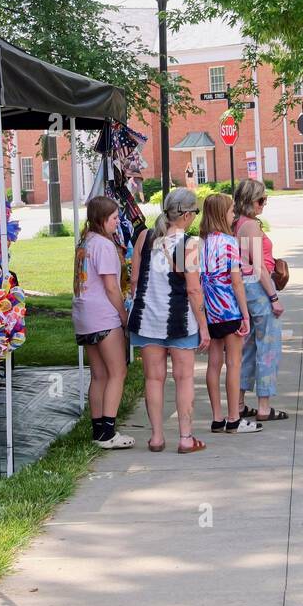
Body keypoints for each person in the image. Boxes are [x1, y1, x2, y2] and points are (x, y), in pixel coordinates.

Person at [129, 187, 210, 453]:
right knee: (184, 377)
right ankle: (186, 438)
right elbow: (193, 289)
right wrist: (203, 325)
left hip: (147, 318)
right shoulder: (188, 244)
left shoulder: (145, 238)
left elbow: (134, 280)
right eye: (194, 213)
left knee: (154, 379)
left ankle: (156, 437)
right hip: (179, 320)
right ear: (186, 215)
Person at [71, 196, 134, 449]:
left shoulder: (84, 242)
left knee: (98, 375)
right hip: (103, 315)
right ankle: (108, 432)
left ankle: (98, 430)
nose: (117, 223)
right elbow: (110, 287)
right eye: (114, 218)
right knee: (118, 372)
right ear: (101, 219)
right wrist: (123, 316)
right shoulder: (105, 246)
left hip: (83, 314)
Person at [199, 193, 257, 433]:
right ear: (222, 213)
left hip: (209, 311)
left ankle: (217, 417)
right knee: (233, 363)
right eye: (232, 209)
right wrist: (245, 314)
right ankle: (234, 418)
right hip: (229, 309)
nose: (234, 213)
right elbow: (237, 282)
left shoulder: (197, 243)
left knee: (214, 364)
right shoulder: (230, 243)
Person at [233, 179, 288, 422]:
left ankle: (240, 402)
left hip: (245, 288)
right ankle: (264, 405)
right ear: (249, 201)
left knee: (247, 347)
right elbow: (258, 267)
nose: (264, 204)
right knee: (268, 346)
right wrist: (274, 298)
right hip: (257, 287)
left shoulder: (237, 223)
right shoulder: (251, 226)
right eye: (260, 200)